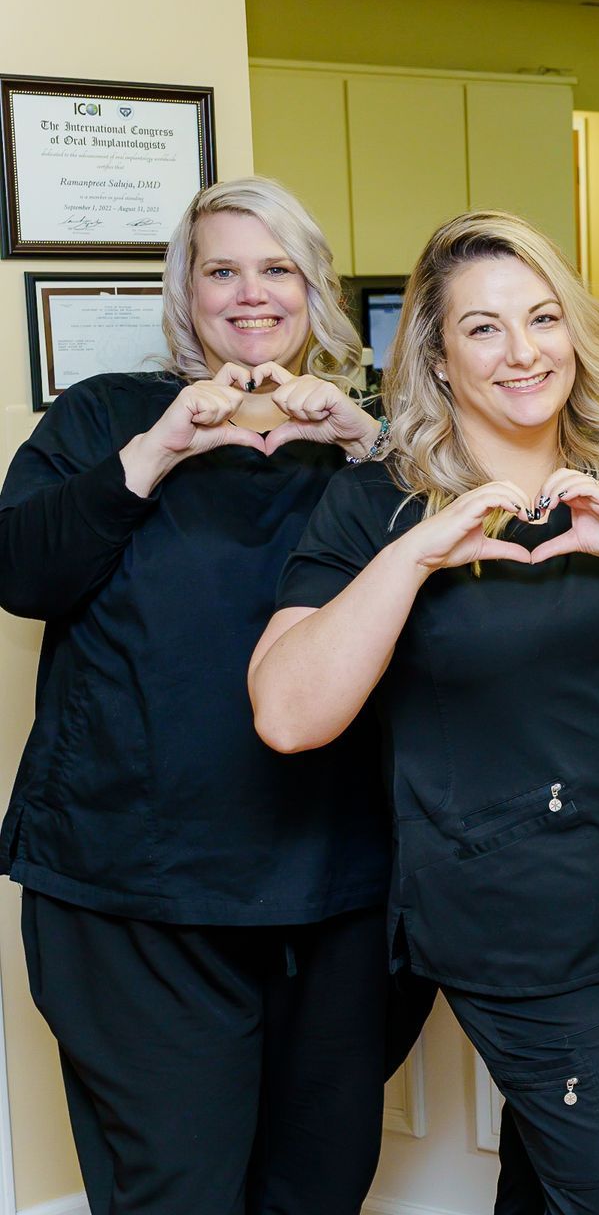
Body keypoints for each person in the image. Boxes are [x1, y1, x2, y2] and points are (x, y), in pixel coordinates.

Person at [250, 210, 599, 1213]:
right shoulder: (373, 504)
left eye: (543, 318)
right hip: (510, 910)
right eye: (483, 328)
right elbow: (286, 713)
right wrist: (417, 554)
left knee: (549, 1178)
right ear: (436, 354)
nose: (523, 352)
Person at [0, 177, 391, 1214]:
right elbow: (21, 574)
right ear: (187, 291)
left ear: (316, 291)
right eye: (222, 269)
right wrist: (161, 446)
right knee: (177, 1187)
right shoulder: (107, 417)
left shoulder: (374, 441)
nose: (250, 294)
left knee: (319, 1181)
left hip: (338, 881)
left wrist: (365, 441)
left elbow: (470, 586)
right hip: (136, 888)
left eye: (278, 269)